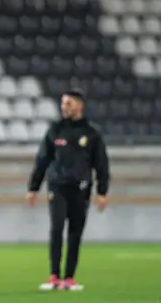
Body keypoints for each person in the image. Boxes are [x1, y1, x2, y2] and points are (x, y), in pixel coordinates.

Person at [26, 89, 110, 291]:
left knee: (75, 232)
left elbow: (101, 164)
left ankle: (69, 278)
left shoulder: (92, 133)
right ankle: (54, 276)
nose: (64, 107)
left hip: (81, 188)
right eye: (63, 103)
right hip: (57, 186)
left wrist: (102, 192)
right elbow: (42, 160)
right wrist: (33, 187)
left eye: (69, 103)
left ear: (80, 106)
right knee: (56, 229)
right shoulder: (55, 130)